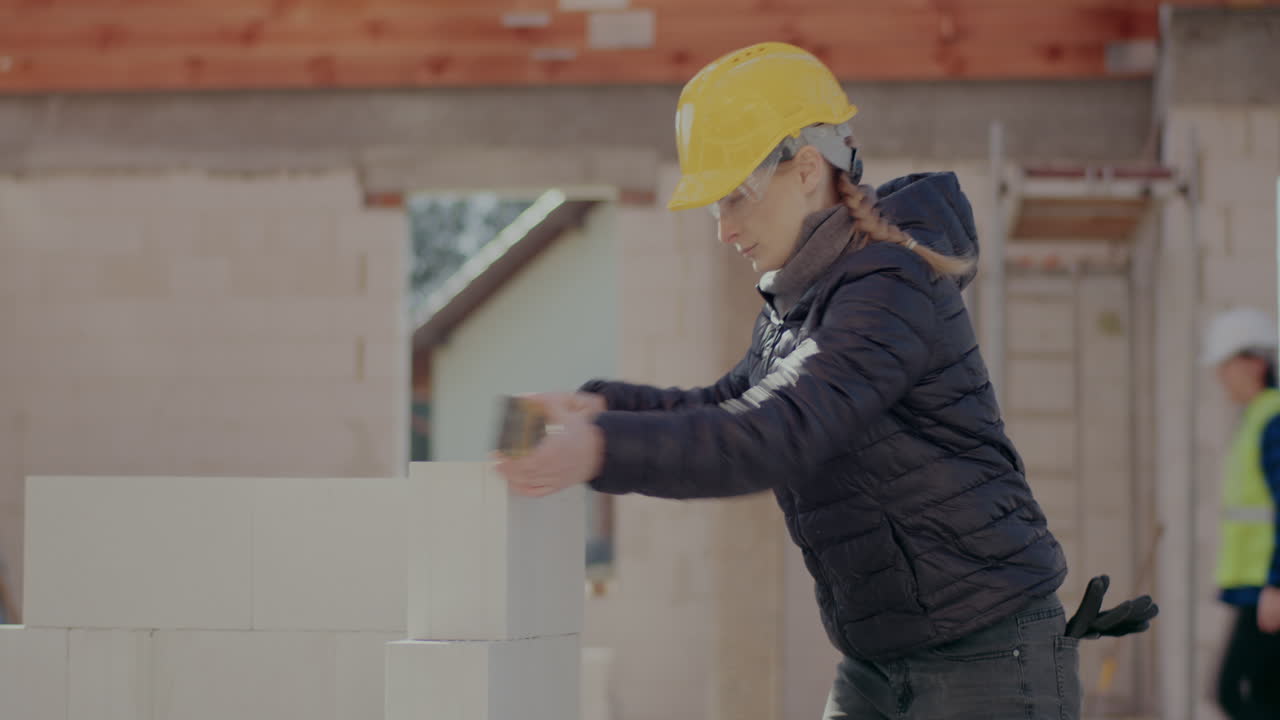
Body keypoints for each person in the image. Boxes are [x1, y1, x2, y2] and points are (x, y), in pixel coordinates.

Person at [496, 42, 1153, 719]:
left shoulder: (891, 284)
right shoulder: (802, 305)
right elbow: (728, 405)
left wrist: (599, 445)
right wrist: (599, 404)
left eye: (735, 199)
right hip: (877, 658)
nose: (723, 230)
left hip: (987, 656)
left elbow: (775, 431)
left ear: (806, 169)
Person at [1202, 307, 1280, 719]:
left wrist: (1278, 584)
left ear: (1255, 363)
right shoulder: (1256, 417)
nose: (1220, 376)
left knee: (1237, 691)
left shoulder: (1273, 419)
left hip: (1268, 589)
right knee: (1263, 694)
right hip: (1258, 588)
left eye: (1226, 364)